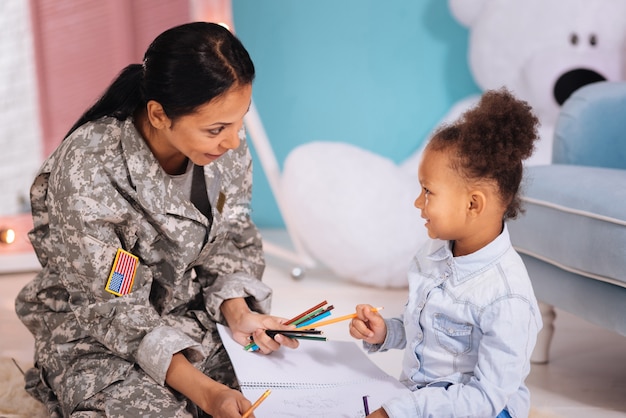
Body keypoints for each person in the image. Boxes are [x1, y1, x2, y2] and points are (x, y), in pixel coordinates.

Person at [15, 22, 298, 418]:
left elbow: (231, 241)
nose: (234, 141)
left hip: (191, 321)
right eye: (217, 129)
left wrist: (239, 313)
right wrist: (208, 394)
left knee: (288, 396)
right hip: (99, 339)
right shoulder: (89, 168)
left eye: (240, 121)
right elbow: (113, 307)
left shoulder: (224, 145)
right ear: (159, 115)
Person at [349, 89, 543, 418]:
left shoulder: (508, 299)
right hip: (422, 396)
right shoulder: (433, 254)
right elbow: (424, 329)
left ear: (473, 204)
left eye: (428, 192)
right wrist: (386, 331)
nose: (417, 203)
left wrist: (403, 412)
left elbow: (485, 399)